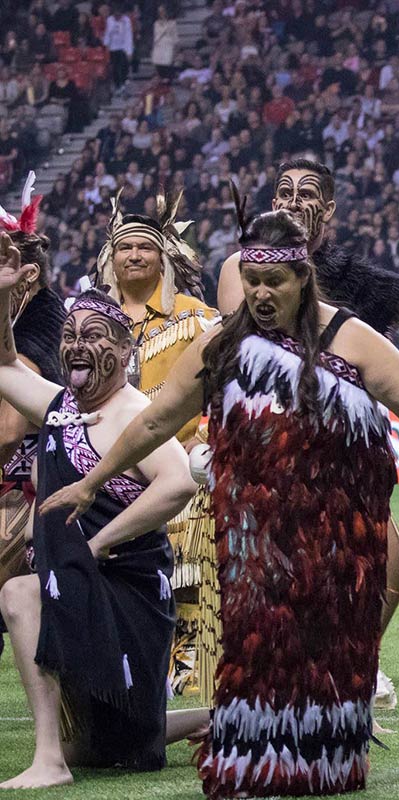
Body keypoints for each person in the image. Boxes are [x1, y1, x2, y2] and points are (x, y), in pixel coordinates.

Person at [40, 209, 399, 797]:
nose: (260, 293)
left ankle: (327, 763)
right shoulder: (221, 345)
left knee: (330, 653)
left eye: (273, 281)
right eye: (251, 280)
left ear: (303, 278)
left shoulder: (351, 338)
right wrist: (92, 481)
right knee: (258, 651)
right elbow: (156, 421)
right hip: (253, 535)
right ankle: (255, 762)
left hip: (337, 534)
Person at [217, 160, 399, 704]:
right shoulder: (246, 266)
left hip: (342, 453)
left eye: (307, 193)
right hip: (271, 448)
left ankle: (350, 663)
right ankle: (303, 676)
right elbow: (244, 346)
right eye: (284, 191)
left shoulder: (356, 282)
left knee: (392, 558)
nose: (293, 200)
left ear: (327, 209)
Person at [0, 247, 197, 789]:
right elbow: (4, 365)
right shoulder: (63, 406)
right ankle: (219, 718)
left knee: (19, 594)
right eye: (69, 336)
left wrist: (97, 543)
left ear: (125, 350)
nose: (76, 345)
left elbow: (179, 482)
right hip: (81, 582)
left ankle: (48, 761)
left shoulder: (133, 413)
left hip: (125, 591)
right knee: (100, 746)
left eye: (94, 336)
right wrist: (3, 293)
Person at [91, 191, 218, 696]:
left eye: (145, 247)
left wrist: (201, 440)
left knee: (187, 572)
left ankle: (186, 666)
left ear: (164, 259)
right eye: (125, 248)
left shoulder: (196, 318)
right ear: (111, 258)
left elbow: (223, 385)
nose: (135, 255)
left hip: (180, 464)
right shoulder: (93, 320)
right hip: (110, 468)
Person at [0, 177, 65, 658]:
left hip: (27, 489)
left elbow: (8, 430)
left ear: (24, 275)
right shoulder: (18, 314)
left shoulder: (40, 320)